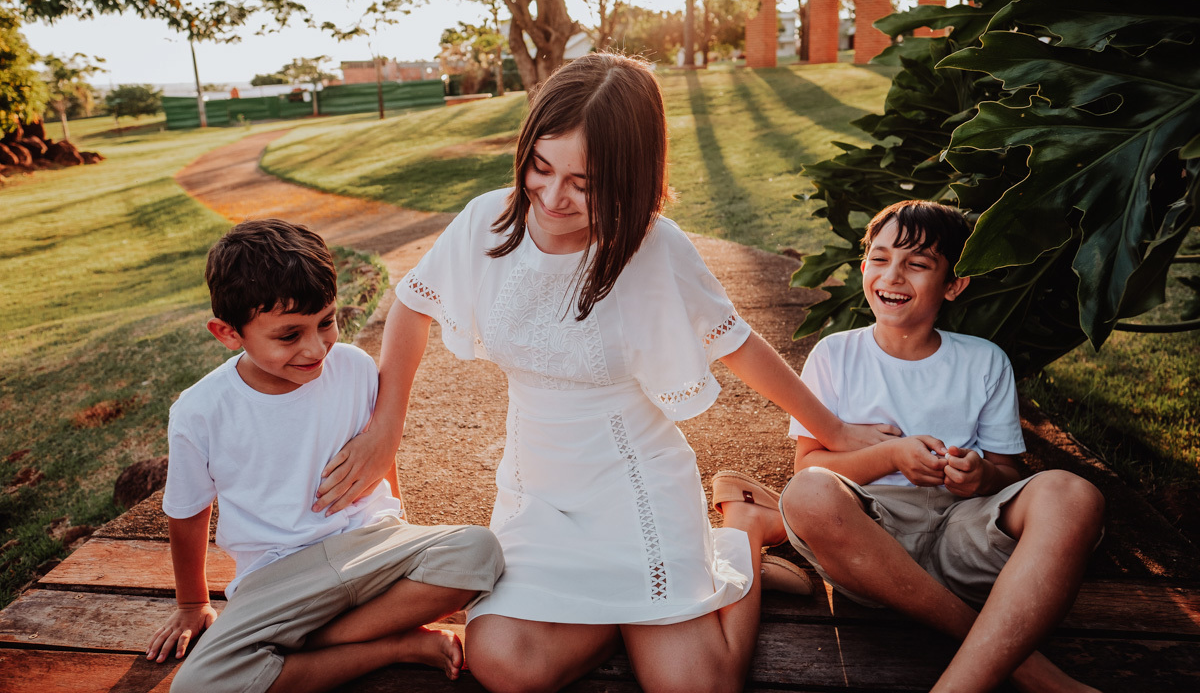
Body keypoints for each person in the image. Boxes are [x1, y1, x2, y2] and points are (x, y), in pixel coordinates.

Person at [313, 53, 897, 692]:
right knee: (506, 665)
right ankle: (633, 612)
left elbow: (737, 344)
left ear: (630, 177)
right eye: (541, 167)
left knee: (697, 687)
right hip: (537, 492)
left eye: (583, 183)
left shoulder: (655, 247)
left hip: (636, 486)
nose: (553, 196)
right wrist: (384, 429)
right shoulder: (488, 220)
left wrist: (835, 431)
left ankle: (740, 532)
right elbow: (412, 305)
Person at [147, 219, 504, 693]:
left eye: (327, 322)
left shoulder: (354, 368)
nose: (315, 348)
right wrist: (192, 604)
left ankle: (301, 642)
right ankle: (394, 645)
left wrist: (403, 530)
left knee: (478, 551)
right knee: (197, 687)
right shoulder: (200, 410)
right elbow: (188, 511)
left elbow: (376, 458)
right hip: (277, 578)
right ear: (228, 333)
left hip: (371, 547)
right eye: (289, 335)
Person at [773, 200, 1105, 693]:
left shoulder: (983, 361)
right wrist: (890, 455)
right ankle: (1025, 666)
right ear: (864, 268)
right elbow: (809, 467)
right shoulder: (835, 355)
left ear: (954, 285)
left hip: (962, 530)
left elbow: (1007, 475)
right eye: (881, 259)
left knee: (1075, 496)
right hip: (870, 538)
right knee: (807, 495)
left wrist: (980, 476)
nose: (894, 275)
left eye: (918, 264)